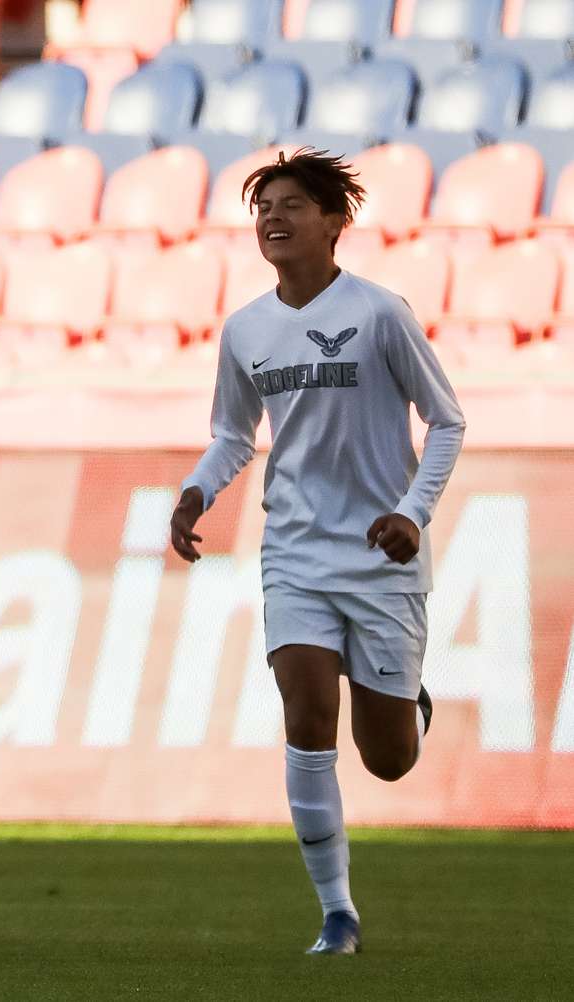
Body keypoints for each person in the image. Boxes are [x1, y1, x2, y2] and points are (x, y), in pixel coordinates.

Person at [170, 149, 465, 955]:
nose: (273, 216)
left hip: (382, 556)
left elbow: (447, 421)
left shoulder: (380, 313)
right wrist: (198, 490)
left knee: (389, 760)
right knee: (305, 713)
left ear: (335, 222)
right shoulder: (246, 329)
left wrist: (412, 512)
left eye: (293, 204)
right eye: (263, 205)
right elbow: (234, 434)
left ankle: (408, 706)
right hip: (295, 548)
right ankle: (337, 913)